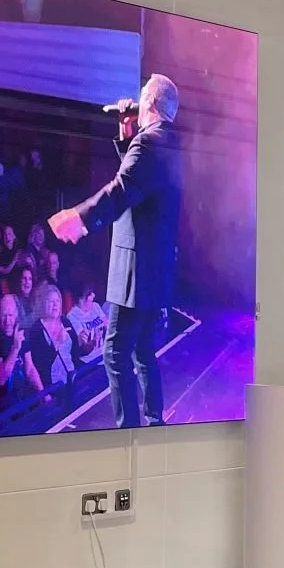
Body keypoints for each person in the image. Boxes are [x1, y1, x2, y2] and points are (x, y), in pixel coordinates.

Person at [48, 74, 184, 428]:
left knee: (114, 352)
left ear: (149, 102)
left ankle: (129, 434)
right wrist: (129, 138)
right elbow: (141, 185)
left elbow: (123, 188)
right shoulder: (167, 142)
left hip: (135, 273)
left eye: (141, 97)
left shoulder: (149, 145)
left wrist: (79, 217)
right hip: (155, 272)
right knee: (141, 350)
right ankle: (154, 422)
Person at [0, 292, 42, 413]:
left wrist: (42, 392)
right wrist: (15, 348)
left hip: (23, 393)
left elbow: (30, 370)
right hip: (3, 401)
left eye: (10, 315)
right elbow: (1, 378)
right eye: (4, 315)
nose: (7, 320)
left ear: (16, 315)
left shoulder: (21, 332)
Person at [30, 286, 78, 391]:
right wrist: (57, 342)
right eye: (51, 301)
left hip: (73, 379)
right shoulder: (36, 330)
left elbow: (76, 352)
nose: (55, 304)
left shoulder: (65, 321)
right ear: (43, 304)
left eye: (57, 300)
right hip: (53, 387)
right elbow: (41, 365)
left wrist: (89, 345)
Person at [66, 282, 106, 360]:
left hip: (104, 355)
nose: (93, 295)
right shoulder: (72, 316)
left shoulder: (96, 306)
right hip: (90, 361)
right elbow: (83, 348)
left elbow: (108, 325)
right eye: (89, 294)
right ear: (81, 299)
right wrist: (94, 341)